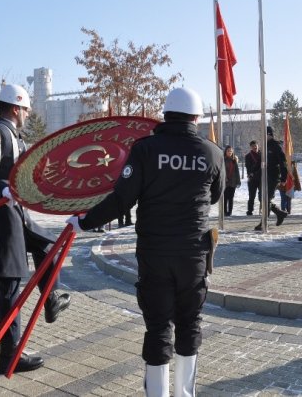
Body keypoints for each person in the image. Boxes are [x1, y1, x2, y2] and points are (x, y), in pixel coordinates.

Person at [66, 87, 224, 397]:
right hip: (193, 254)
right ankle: (184, 393)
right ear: (196, 117)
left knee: (157, 326)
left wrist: (84, 222)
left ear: (165, 114)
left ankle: (157, 394)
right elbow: (216, 195)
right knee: (189, 323)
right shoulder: (212, 152)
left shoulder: (146, 150)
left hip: (154, 254)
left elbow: (122, 199)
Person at [0, 83, 71, 375]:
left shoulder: (14, 136)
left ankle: (50, 298)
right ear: (15, 108)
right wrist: (3, 189)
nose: (28, 114)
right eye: (26, 109)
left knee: (49, 245)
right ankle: (10, 353)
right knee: (11, 285)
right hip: (2, 217)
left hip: (16, 214)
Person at [255, 127, 288, 230]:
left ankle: (263, 222)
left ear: (269, 134)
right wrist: (253, 172)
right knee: (262, 198)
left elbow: (283, 163)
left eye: (264, 134)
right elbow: (259, 161)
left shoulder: (276, 146)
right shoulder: (264, 146)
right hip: (264, 176)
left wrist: (283, 178)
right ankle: (279, 213)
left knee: (266, 198)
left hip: (273, 176)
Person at [244, 140, 261, 215]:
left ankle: (263, 209)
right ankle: (250, 210)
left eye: (256, 145)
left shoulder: (262, 154)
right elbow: (248, 167)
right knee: (252, 196)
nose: (255, 147)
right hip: (252, 178)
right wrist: (251, 174)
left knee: (262, 195)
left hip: (261, 178)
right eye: (253, 146)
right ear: (251, 147)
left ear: (258, 145)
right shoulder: (248, 156)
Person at [223, 145, 240, 216]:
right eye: (228, 151)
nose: (229, 152)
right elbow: (221, 170)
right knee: (225, 197)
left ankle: (230, 212)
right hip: (225, 181)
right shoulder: (223, 160)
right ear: (225, 152)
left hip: (233, 181)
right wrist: (224, 178)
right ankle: (224, 212)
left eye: (231, 151)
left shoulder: (234, 160)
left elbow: (237, 171)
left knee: (231, 197)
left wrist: (238, 181)